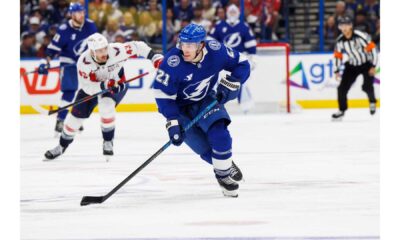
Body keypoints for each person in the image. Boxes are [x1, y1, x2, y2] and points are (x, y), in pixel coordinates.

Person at [153, 24, 250, 197]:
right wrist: (172, 122)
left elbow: (242, 63)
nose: (185, 49)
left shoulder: (216, 51)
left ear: (201, 45)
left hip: (206, 101)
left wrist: (232, 83)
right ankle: (225, 163)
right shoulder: (171, 62)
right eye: (183, 44)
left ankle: (223, 176)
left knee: (220, 135)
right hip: (179, 109)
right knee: (205, 150)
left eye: (190, 45)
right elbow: (162, 96)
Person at [43, 33, 163, 161]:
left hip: (117, 84)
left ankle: (108, 141)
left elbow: (138, 46)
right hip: (93, 89)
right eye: (99, 50)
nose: (104, 52)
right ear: (92, 52)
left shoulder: (116, 50)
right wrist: (105, 85)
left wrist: (154, 57)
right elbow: (88, 87)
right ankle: (61, 146)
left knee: (106, 106)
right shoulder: (83, 62)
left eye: (105, 48)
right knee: (74, 120)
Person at [38, 2, 97, 136]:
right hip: (69, 62)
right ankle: (60, 119)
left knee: (87, 92)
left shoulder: (90, 25)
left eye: (82, 12)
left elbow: (97, 44)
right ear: (71, 14)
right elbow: (52, 49)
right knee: (70, 91)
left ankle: (75, 120)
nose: (81, 15)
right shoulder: (64, 29)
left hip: (86, 62)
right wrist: (45, 62)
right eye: (78, 13)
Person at [209, 4, 257, 112]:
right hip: (222, 60)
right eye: (230, 12)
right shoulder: (219, 26)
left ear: (238, 14)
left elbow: (251, 45)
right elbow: (210, 42)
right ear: (226, 13)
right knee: (216, 82)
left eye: (234, 12)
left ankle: (246, 106)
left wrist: (253, 58)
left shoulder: (244, 26)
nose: (232, 14)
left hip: (239, 60)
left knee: (241, 82)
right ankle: (216, 106)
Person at [332, 16, 378, 120]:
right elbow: (338, 55)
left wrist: (373, 66)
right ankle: (342, 110)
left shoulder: (360, 36)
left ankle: (372, 102)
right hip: (352, 66)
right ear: (339, 27)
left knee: (366, 87)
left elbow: (373, 50)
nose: (344, 28)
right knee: (341, 89)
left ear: (351, 26)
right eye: (341, 25)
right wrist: (336, 70)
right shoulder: (339, 41)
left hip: (366, 64)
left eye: (346, 25)